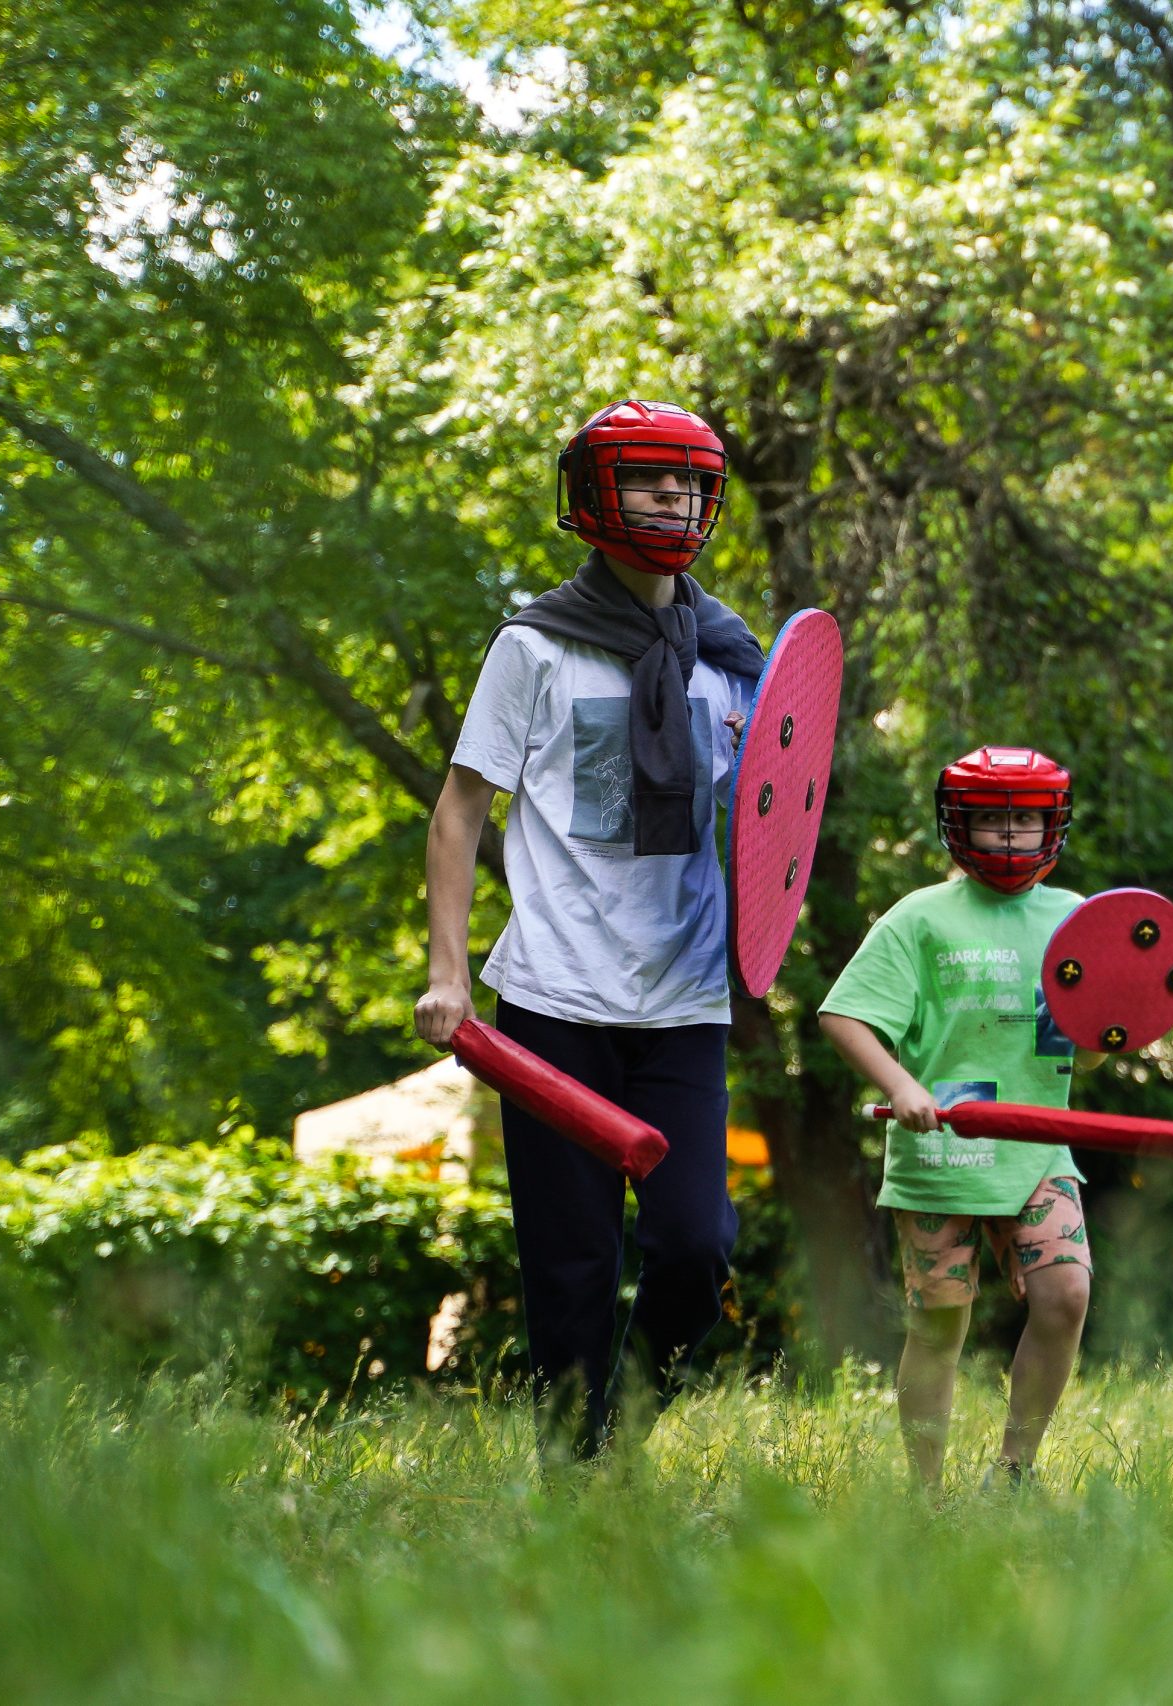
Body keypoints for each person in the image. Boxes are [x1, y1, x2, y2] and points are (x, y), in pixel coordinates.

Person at [414, 399, 766, 1459]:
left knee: (694, 1246)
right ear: (592, 497)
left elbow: (768, 819)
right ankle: (575, 1480)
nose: (675, 499)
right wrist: (450, 973)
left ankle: (624, 1424)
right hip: (553, 1000)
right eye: (651, 479)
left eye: (691, 481)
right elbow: (460, 807)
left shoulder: (731, 655)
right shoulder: (536, 645)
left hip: (685, 999)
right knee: (568, 1265)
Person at [815, 746, 1102, 1494]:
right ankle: (925, 1496)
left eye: (1024, 822)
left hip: (1038, 1151)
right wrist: (902, 1085)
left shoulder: (1077, 922)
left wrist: (1103, 1040)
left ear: (1052, 828)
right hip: (941, 1157)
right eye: (991, 821)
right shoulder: (919, 918)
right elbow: (843, 1016)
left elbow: (1090, 1053)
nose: (1009, 837)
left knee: (1066, 1294)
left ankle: (1013, 1474)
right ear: (957, 826)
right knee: (940, 1326)